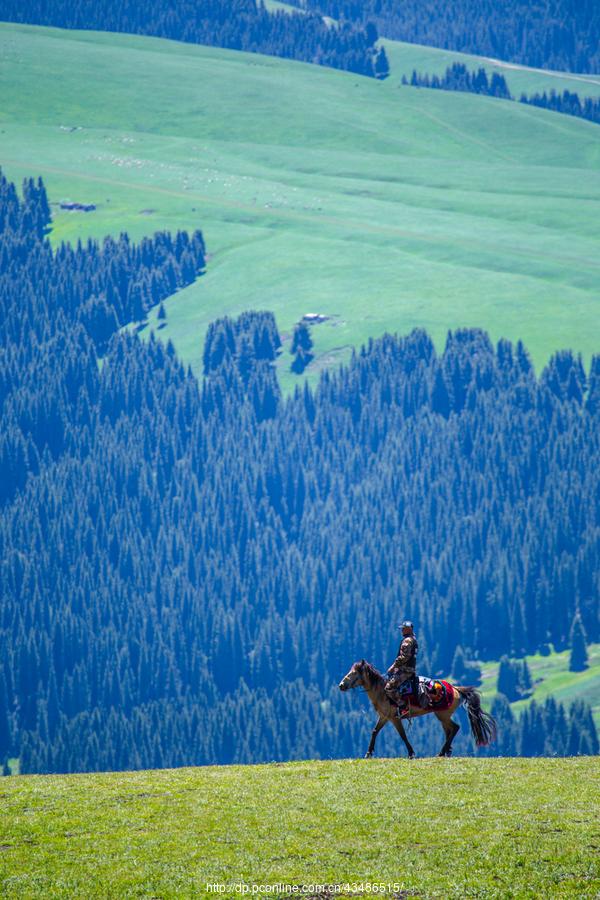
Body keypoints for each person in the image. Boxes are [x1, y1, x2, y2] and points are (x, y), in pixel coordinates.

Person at [384, 620, 428, 718]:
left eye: (403, 629)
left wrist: (393, 667)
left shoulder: (407, 640)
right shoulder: (414, 639)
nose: (401, 631)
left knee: (389, 688)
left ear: (408, 629)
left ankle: (403, 707)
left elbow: (404, 656)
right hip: (409, 670)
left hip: (405, 671)